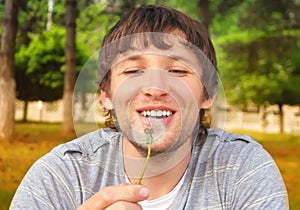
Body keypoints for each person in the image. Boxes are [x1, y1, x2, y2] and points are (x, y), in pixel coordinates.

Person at [10, 5, 288, 210]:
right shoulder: (61, 174)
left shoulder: (243, 167)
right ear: (106, 95)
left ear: (208, 95)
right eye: (133, 71)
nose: (156, 88)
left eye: (178, 70)